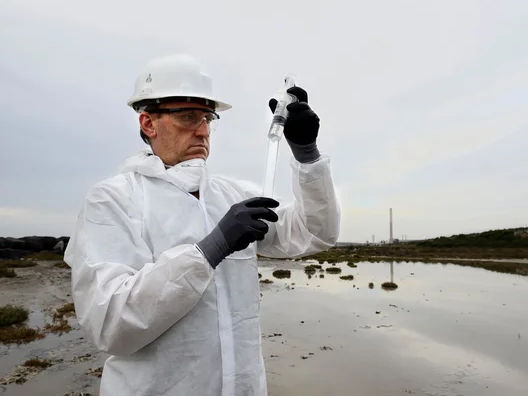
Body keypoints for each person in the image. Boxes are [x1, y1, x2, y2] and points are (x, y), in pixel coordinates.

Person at [63, 54, 341, 395]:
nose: (204, 129)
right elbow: (110, 325)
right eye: (188, 117)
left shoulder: (230, 194)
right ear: (148, 123)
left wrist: (306, 153)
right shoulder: (112, 199)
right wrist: (211, 248)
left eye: (208, 117)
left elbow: (314, 233)